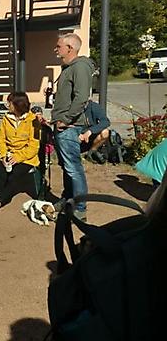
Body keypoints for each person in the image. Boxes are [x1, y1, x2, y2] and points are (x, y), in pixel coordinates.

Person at [51, 33, 94, 221]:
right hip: (62, 125)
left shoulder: (80, 67)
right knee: (67, 167)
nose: (56, 49)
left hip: (70, 126)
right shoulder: (69, 68)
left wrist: (67, 119)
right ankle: (67, 200)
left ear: (70, 48)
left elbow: (82, 97)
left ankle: (80, 208)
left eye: (59, 46)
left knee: (74, 168)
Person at [0, 92, 40, 210]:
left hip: (26, 158)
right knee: (1, 171)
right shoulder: (6, 119)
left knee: (14, 175)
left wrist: (18, 157)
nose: (7, 105)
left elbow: (33, 146)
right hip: (8, 154)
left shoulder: (33, 121)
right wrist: (2, 156)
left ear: (18, 104)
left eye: (10, 103)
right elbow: (1, 139)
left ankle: (0, 201)